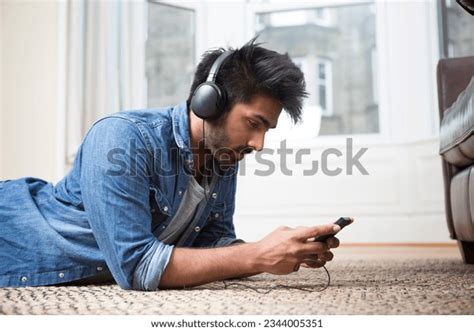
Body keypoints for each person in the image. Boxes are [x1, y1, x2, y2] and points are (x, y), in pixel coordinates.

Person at [0, 38, 341, 290]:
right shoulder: (120, 138)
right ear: (210, 103)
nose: (259, 144)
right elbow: (136, 267)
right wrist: (256, 256)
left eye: (267, 129)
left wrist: (280, 251)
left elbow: (212, 244)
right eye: (254, 123)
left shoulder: (222, 156)